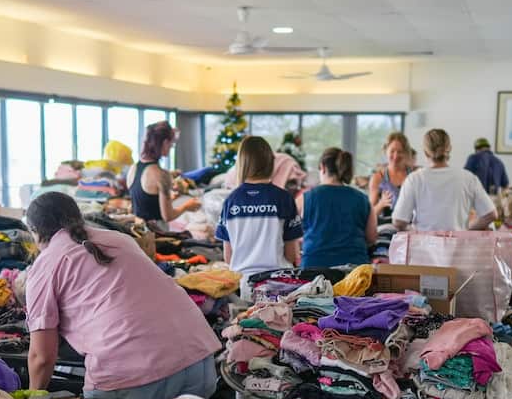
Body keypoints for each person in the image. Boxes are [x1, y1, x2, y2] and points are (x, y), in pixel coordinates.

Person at [24, 192, 219, 399]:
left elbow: (42, 357)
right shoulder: (121, 239)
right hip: (199, 359)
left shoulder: (46, 265)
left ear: (34, 231)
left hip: (135, 376)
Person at [217, 136, 303, 299]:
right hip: (277, 286)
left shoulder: (230, 201)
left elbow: (228, 257)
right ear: (271, 161)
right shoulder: (283, 198)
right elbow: (291, 255)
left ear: (242, 163)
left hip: (242, 286)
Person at [392, 129, 497, 232]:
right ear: (449, 149)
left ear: (425, 152)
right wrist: (468, 228)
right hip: (458, 246)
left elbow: (398, 221)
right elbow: (491, 215)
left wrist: (411, 229)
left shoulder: (414, 179)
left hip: (423, 246)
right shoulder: (468, 178)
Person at [298, 147, 380, 269]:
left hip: (313, 271)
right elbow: (372, 237)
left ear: (323, 167)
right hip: (354, 272)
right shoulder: (362, 199)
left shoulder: (304, 199)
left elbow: (292, 235)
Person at [127, 120, 199, 224]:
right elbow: (167, 216)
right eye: (171, 144)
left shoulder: (133, 168)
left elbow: (142, 205)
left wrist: (171, 199)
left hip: (137, 231)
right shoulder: (162, 174)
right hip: (157, 233)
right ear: (165, 143)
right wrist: (187, 206)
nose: (171, 147)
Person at [368, 131, 414, 210]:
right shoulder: (377, 178)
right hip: (386, 222)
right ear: (386, 151)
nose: (395, 156)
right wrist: (381, 204)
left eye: (400, 152)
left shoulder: (414, 175)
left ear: (405, 152)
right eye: (392, 151)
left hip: (410, 222)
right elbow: (369, 215)